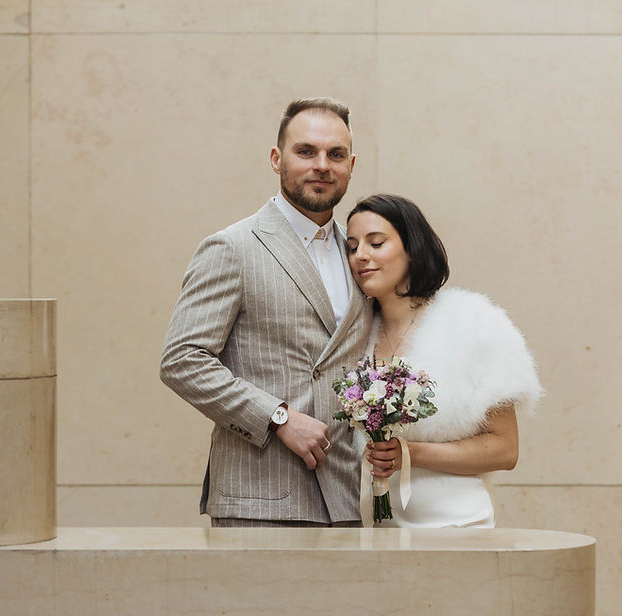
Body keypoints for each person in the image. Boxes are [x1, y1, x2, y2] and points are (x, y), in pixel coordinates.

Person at [160, 98, 372, 527]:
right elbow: (181, 360)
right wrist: (278, 417)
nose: (321, 165)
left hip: (348, 501)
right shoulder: (232, 247)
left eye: (334, 155)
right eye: (305, 151)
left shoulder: (361, 254)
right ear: (277, 159)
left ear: (351, 165)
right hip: (259, 501)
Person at [345, 193, 543, 527]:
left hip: (456, 527)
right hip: (374, 531)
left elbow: (505, 450)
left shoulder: (472, 323)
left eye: (376, 243)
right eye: (351, 247)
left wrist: (411, 453)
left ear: (412, 248)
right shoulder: (354, 337)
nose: (360, 256)